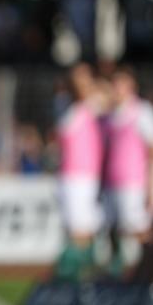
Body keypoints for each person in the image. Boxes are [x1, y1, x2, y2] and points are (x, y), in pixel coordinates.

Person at [103, 65, 153, 272]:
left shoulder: (142, 111)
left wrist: (152, 187)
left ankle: (151, 270)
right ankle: (122, 271)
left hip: (134, 182)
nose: (116, 89)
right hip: (113, 182)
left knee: (138, 228)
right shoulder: (110, 116)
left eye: (121, 85)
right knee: (114, 229)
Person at [54, 62, 103, 280]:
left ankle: (84, 273)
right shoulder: (64, 103)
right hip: (72, 175)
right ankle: (75, 274)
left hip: (89, 175)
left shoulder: (94, 102)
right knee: (75, 226)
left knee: (85, 226)